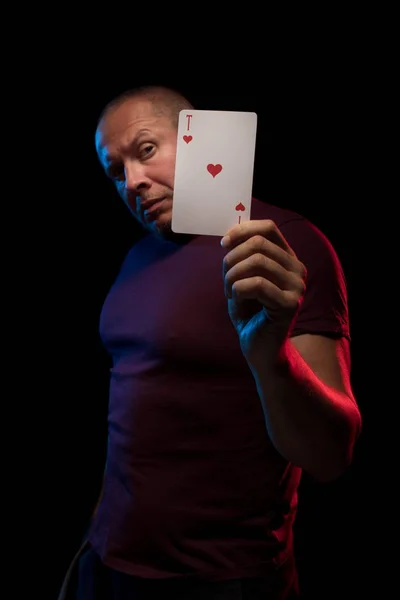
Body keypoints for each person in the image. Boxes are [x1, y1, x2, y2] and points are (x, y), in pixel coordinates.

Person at [58, 85, 362, 599]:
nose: (133, 181)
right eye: (116, 170)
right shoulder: (135, 258)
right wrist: (94, 540)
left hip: (221, 579)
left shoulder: (283, 243)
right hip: (108, 563)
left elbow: (332, 454)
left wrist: (271, 355)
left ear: (199, 138)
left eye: (146, 150)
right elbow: (132, 418)